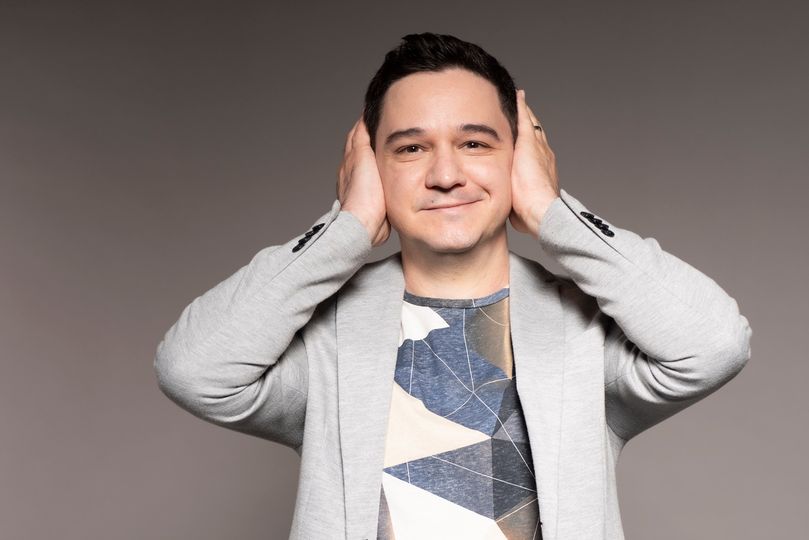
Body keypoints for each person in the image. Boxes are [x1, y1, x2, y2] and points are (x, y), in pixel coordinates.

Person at [153, 32, 752, 540]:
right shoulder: (326, 337)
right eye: (411, 148)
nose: (445, 174)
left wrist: (555, 213)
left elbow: (714, 344)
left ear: (519, 157)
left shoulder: (583, 335)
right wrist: (344, 230)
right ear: (372, 167)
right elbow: (193, 370)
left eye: (474, 143)